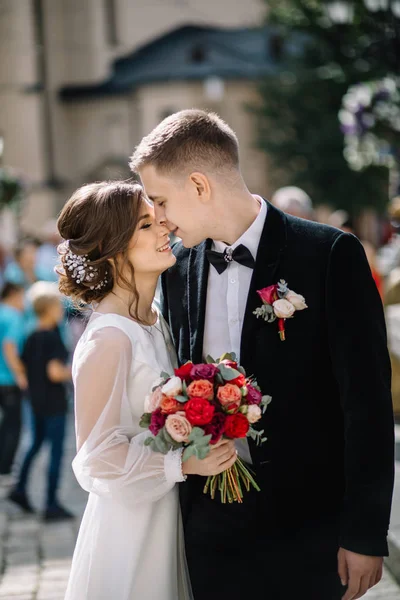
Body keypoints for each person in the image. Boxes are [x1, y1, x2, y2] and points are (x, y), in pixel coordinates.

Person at [130, 109, 395, 600]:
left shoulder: (329, 254)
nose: (159, 217)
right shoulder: (176, 267)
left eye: (161, 200)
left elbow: (368, 404)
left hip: (310, 529)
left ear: (199, 185)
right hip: (208, 528)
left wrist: (364, 532)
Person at [56, 181, 234, 600]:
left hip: (167, 516)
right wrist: (184, 465)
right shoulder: (109, 339)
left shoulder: (154, 320)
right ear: (111, 247)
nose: (164, 230)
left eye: (159, 219)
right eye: (145, 225)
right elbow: (95, 459)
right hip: (130, 530)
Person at [8, 281, 73, 520]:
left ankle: (20, 487)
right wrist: (75, 372)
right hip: (54, 402)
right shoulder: (52, 337)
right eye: (57, 305)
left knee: (34, 444)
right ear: (48, 308)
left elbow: (25, 364)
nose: (61, 310)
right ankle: (51, 503)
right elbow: (54, 372)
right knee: (55, 452)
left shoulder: (31, 335)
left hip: (35, 401)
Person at [0, 282, 27, 482]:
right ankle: (5, 470)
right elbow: (9, 347)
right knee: (13, 427)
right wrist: (20, 373)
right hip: (8, 380)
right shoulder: (14, 316)